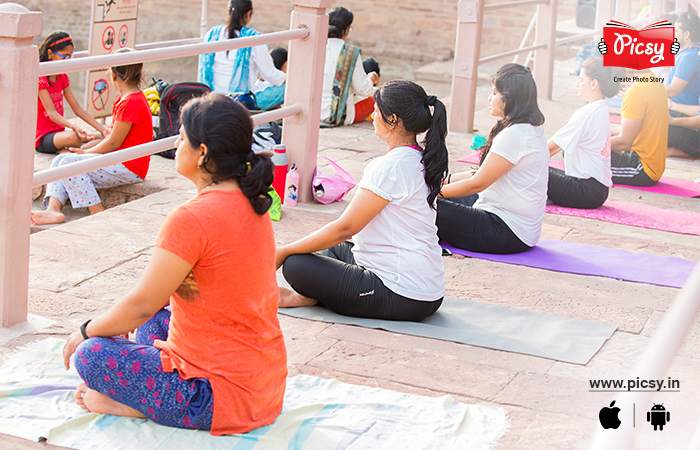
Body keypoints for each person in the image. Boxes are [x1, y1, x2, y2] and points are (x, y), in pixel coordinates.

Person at [62, 94, 287, 435]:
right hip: (263, 386)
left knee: (92, 354)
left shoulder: (191, 218)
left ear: (202, 153)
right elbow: (155, 302)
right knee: (158, 316)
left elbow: (139, 305)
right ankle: (140, 396)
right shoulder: (252, 201)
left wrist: (84, 331)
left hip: (216, 398)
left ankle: (132, 404)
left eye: (182, 137)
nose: (176, 143)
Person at [278, 80, 448, 321]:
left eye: (376, 111)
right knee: (331, 248)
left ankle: (311, 293)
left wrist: (283, 251)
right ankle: (309, 295)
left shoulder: (389, 167)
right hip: (429, 292)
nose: (371, 116)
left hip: (402, 295)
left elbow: (346, 227)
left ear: (393, 119)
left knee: (295, 264)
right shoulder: (420, 158)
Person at [437, 64, 548, 254]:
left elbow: (476, 184)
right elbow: (479, 175)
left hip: (505, 231)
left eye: (494, 93)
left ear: (510, 98)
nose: (490, 98)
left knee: (423, 205)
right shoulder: (526, 129)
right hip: (519, 229)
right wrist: (442, 183)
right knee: (444, 196)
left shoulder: (515, 134)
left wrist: (431, 194)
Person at [31, 55, 153, 225]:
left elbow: (113, 143)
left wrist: (86, 152)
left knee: (70, 164)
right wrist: (91, 137)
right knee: (60, 160)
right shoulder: (128, 99)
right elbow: (112, 136)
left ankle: (96, 210)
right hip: (119, 160)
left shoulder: (131, 103)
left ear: (113, 75)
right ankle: (53, 210)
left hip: (129, 166)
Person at [547, 58, 625, 209]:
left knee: (527, 170)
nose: (577, 84)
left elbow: (549, 149)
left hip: (585, 192)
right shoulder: (600, 108)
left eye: (581, 80)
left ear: (594, 84)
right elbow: (557, 147)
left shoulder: (587, 114)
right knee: (540, 169)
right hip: (597, 191)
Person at [35, 31, 110, 154]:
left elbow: (77, 108)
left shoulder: (62, 77)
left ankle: (69, 150)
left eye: (70, 56)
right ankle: (74, 149)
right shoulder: (41, 79)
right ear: (50, 54)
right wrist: (73, 126)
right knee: (74, 137)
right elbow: (51, 112)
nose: (67, 60)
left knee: (107, 136)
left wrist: (102, 129)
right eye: (64, 56)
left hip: (60, 133)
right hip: (43, 138)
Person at [198, 0, 286, 96]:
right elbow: (269, 74)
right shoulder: (254, 38)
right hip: (243, 99)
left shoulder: (212, 34)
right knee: (287, 88)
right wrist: (287, 78)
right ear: (248, 14)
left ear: (228, 12)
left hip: (212, 96)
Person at [320, 6, 379, 126]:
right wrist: (372, 77)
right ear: (346, 29)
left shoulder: (316, 46)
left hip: (312, 112)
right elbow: (362, 90)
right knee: (379, 96)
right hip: (339, 114)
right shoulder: (349, 52)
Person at [610, 71, 669, 186]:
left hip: (641, 168)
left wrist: (587, 143)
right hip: (653, 166)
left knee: (576, 152)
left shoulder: (636, 91)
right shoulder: (654, 80)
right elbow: (634, 130)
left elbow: (624, 143)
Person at [666, 12, 700, 151]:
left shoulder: (690, 57)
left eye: (677, 31)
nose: (673, 34)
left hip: (683, 115)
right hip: (677, 110)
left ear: (686, 34)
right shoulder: (687, 54)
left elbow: (674, 89)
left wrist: (645, 89)